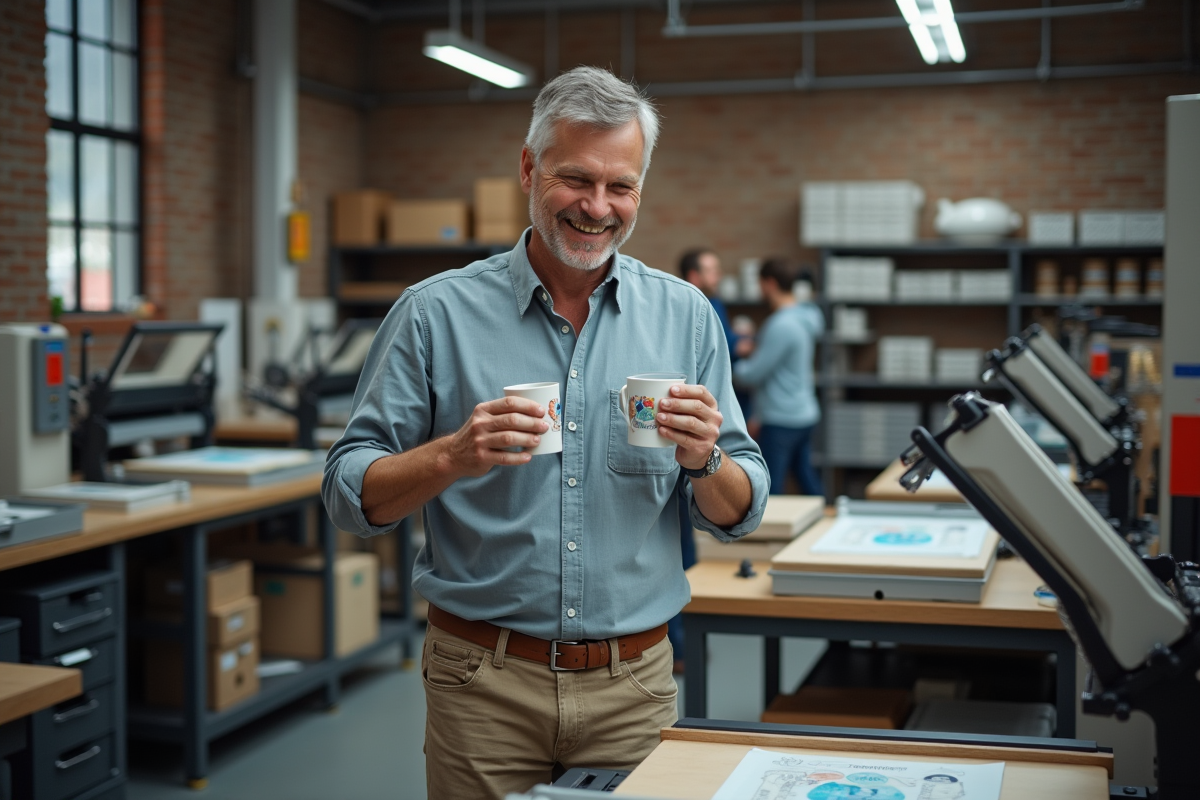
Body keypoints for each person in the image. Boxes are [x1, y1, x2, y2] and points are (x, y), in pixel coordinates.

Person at [323, 66, 768, 799]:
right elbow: (347, 493)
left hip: (636, 687)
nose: (598, 207)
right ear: (529, 169)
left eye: (620, 186)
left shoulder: (685, 317)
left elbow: (741, 508)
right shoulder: (434, 314)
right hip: (480, 685)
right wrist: (450, 456)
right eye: (576, 179)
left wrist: (704, 457)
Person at [733, 258, 825, 496]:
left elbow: (752, 375)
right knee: (806, 479)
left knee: (769, 489)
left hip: (781, 417)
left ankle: (766, 532)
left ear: (770, 283)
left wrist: (731, 363)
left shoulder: (780, 325)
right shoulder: (806, 316)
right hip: (803, 411)